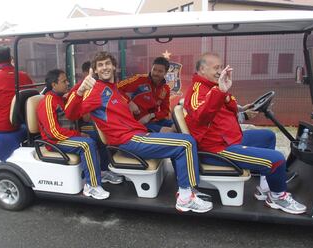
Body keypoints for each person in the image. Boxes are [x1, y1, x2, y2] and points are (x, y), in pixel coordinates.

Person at [65, 51, 212, 213]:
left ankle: (188, 188)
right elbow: (71, 114)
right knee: (185, 142)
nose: (104, 67)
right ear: (95, 70)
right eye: (100, 65)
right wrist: (79, 92)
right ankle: (185, 197)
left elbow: (124, 102)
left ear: (114, 67)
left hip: (137, 134)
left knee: (182, 139)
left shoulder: (113, 88)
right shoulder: (96, 90)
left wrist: (133, 105)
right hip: (128, 141)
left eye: (107, 63)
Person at [183, 52, 306, 215]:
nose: (220, 71)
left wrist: (241, 108)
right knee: (277, 159)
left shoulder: (212, 86)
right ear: (202, 69)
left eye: (221, 67)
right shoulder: (198, 91)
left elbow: (226, 107)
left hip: (231, 139)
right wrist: (220, 91)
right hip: (217, 150)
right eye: (216, 68)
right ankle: (277, 196)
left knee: (268, 136)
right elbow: (201, 115)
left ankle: (265, 188)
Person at [37, 69, 109, 200]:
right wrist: (79, 134)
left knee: (98, 133)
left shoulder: (61, 97)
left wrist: (87, 80)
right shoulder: (47, 102)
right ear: (54, 84)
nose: (67, 83)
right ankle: (92, 185)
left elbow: (75, 93)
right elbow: (53, 132)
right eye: (64, 81)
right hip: (54, 142)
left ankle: (103, 171)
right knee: (87, 144)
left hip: (67, 135)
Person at [67, 61, 123, 185]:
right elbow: (85, 116)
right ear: (86, 73)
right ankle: (103, 170)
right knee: (103, 134)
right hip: (82, 125)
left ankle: (109, 166)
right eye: (92, 73)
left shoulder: (102, 86)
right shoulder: (80, 88)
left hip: (95, 121)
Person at [117, 57, 175, 133]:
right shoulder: (139, 79)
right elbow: (116, 88)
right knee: (169, 131)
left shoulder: (165, 89)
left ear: (166, 73)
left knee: (177, 126)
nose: (155, 73)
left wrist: (151, 115)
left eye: (160, 71)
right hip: (138, 122)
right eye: (154, 69)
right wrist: (130, 102)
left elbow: (165, 111)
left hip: (154, 119)